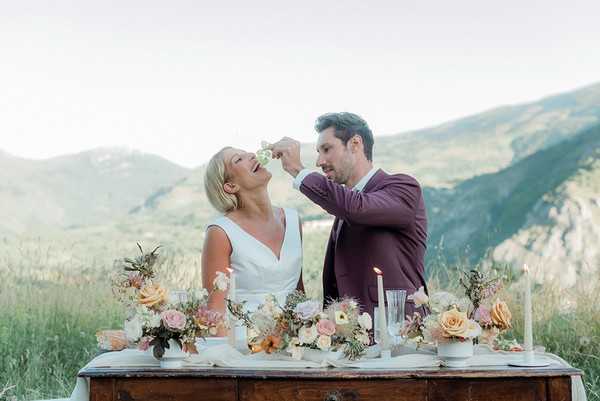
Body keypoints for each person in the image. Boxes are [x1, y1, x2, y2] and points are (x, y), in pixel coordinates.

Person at [270, 112, 428, 318]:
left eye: (326, 149)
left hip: (399, 328)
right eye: (318, 152)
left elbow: (356, 208)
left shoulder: (403, 187)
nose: (319, 161)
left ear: (355, 143)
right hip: (351, 338)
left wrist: (298, 170)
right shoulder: (344, 204)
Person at [201, 147, 304, 335]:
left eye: (247, 153)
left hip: (294, 345)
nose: (251, 155)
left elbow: (299, 293)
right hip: (245, 348)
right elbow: (215, 311)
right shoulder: (220, 233)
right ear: (230, 186)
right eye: (238, 159)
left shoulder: (292, 219)